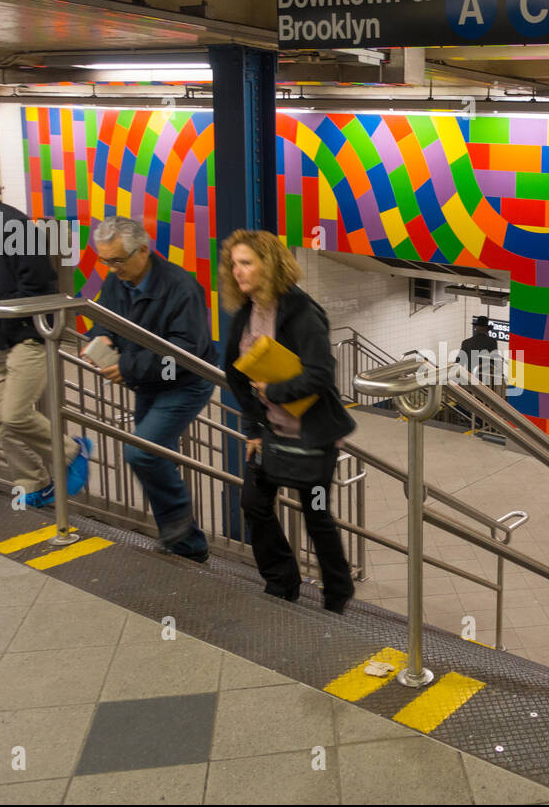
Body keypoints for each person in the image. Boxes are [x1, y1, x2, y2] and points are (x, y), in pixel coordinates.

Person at [0, 144, 89, 507]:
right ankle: (34, 481)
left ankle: (72, 451)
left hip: (26, 337)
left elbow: (40, 282)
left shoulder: (11, 222)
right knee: (2, 423)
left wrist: (8, 323)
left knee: (16, 414)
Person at [220, 229, 357, 613]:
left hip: (314, 436)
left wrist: (272, 391)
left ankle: (337, 592)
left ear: (270, 264)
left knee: (316, 515)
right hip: (270, 434)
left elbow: (320, 375)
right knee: (253, 503)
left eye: (246, 263)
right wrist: (252, 425)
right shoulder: (245, 313)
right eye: (234, 264)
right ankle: (281, 582)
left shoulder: (302, 311)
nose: (238, 271)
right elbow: (232, 371)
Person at [84, 216, 217, 563]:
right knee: (154, 455)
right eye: (105, 261)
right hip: (148, 383)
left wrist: (127, 367)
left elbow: (183, 353)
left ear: (142, 250)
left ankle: (183, 534)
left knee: (141, 452)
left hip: (184, 383)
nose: (112, 270)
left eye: (117, 260)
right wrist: (101, 334)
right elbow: (105, 316)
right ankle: (182, 544)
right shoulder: (119, 282)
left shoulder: (181, 287)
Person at [458, 315, 503, 386]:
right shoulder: (492, 342)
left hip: (470, 378)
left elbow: (459, 361)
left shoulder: (466, 342)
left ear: (476, 328)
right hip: (487, 380)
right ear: (486, 329)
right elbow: (494, 361)